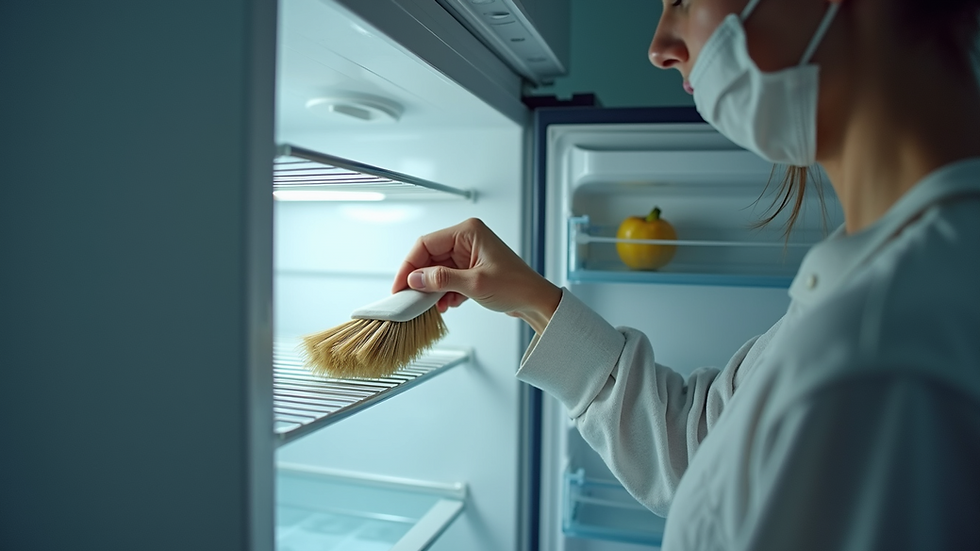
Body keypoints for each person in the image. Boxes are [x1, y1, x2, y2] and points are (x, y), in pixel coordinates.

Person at [393, 0, 980, 548]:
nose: (659, 45)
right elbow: (708, 452)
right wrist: (532, 299)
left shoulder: (887, 346)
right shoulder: (883, 273)